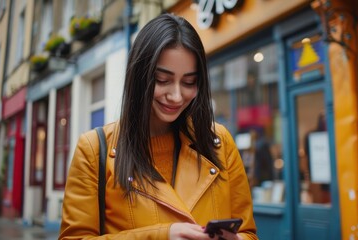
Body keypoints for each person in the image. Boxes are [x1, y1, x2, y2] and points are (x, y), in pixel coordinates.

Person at [59, 13, 258, 240]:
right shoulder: (93, 150)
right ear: (139, 76)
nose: (176, 96)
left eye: (189, 82)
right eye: (162, 80)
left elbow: (248, 232)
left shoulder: (219, 142)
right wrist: (163, 236)